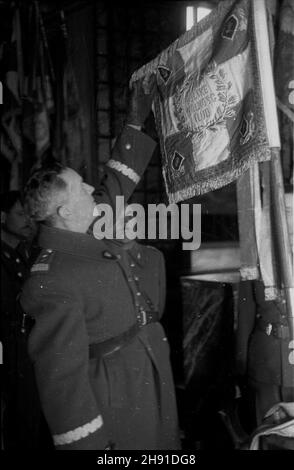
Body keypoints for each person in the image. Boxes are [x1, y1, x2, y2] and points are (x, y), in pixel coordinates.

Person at [19, 80, 180, 449]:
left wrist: (135, 122)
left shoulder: (89, 221)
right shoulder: (48, 280)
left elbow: (116, 182)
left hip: (144, 368)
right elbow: (61, 380)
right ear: (64, 210)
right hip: (115, 397)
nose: (92, 189)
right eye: (81, 187)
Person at [0, 191, 49, 448]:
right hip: (11, 352)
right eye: (20, 214)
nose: (27, 221)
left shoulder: (24, 253)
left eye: (30, 215)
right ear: (2, 216)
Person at [236, 280, 294, 426]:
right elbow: (246, 312)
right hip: (268, 362)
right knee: (268, 434)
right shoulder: (256, 257)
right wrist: (241, 363)